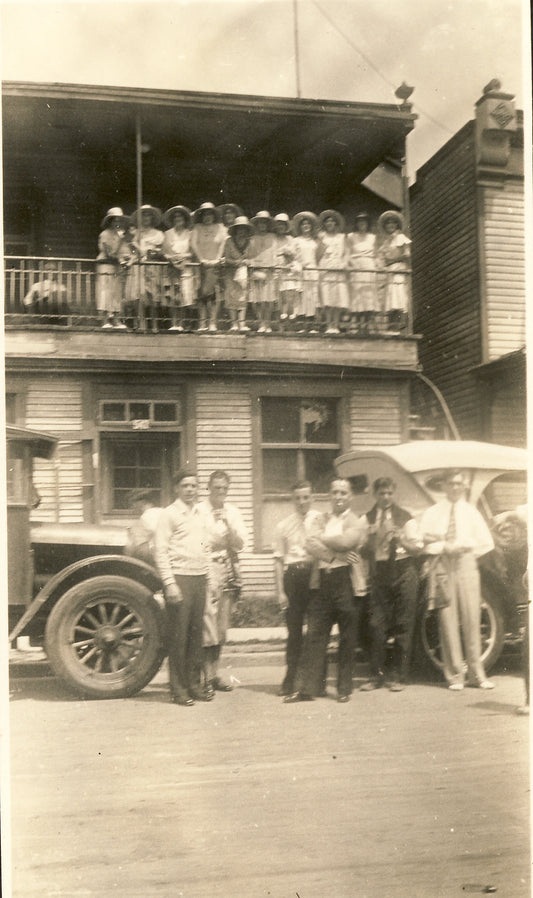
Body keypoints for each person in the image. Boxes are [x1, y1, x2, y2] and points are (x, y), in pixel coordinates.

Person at [285, 477, 366, 703]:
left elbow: (347, 541)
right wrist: (334, 556)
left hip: (347, 583)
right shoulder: (321, 518)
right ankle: (309, 688)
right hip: (322, 581)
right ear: (329, 496)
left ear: (350, 496)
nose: (338, 496)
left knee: (347, 637)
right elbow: (310, 543)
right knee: (315, 635)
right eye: (334, 492)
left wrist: (324, 540)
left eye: (343, 492)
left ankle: (344, 689)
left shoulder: (356, 521)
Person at [420, 469, 495, 691]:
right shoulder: (433, 512)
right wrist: (444, 546)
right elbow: (423, 540)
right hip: (442, 563)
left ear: (464, 487)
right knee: (447, 617)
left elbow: (486, 543)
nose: (455, 488)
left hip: (466, 562)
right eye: (451, 483)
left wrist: (464, 547)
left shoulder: (471, 512)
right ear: (443, 486)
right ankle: (455, 676)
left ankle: (477, 674)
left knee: (472, 616)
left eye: (458, 484)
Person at [359, 477, 423, 692]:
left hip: (404, 571)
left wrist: (400, 537)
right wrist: (374, 536)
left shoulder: (406, 518)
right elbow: (361, 551)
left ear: (393, 493)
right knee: (376, 625)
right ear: (375, 495)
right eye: (381, 493)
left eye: (389, 493)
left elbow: (417, 549)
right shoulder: (366, 519)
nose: (385, 497)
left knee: (403, 625)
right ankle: (376, 675)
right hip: (380, 574)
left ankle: (399, 676)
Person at [154, 470, 211, 706]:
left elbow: (205, 546)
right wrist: (169, 583)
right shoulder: (169, 514)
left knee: (196, 636)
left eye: (194, 486)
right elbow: (160, 550)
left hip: (199, 578)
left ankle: (194, 685)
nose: (190, 490)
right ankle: (178, 690)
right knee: (178, 637)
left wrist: (209, 579)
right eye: (185, 486)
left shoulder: (200, 513)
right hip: (180, 579)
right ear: (176, 489)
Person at [198, 470, 247, 694]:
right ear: (209, 488)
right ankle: (204, 677)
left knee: (221, 627)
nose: (220, 492)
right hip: (206, 569)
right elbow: (198, 541)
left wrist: (227, 526)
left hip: (226, 569)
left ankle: (214, 674)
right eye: (216, 487)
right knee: (207, 624)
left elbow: (239, 544)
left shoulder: (233, 512)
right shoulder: (199, 510)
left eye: (224, 488)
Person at [273, 481, 323, 697]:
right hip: (293, 578)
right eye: (298, 498)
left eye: (306, 497)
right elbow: (278, 561)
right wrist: (280, 592)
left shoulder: (321, 520)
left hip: (314, 576)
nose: (302, 502)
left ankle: (314, 682)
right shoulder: (283, 526)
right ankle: (290, 680)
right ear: (292, 500)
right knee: (294, 633)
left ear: (312, 498)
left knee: (315, 632)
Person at [161, 205, 198, 332]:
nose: (178, 219)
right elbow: (164, 251)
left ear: (185, 218)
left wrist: (183, 256)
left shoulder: (190, 234)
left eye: (180, 216)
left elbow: (192, 252)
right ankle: (173, 323)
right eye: (176, 216)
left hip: (185, 267)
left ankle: (181, 323)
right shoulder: (167, 233)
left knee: (183, 294)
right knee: (172, 294)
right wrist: (170, 258)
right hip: (171, 266)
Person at [190, 202, 226, 332]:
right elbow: (194, 244)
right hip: (200, 265)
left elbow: (222, 244)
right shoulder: (197, 228)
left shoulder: (221, 227)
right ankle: (202, 322)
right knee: (201, 294)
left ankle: (212, 322)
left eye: (210, 214)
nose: (208, 217)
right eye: (205, 214)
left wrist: (217, 259)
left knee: (214, 295)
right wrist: (201, 259)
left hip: (215, 265)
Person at [130, 205, 165, 333]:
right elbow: (133, 249)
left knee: (154, 296)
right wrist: (137, 250)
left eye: (148, 215)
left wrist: (153, 252)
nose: (146, 218)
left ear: (152, 218)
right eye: (143, 215)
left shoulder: (159, 234)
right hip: (140, 266)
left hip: (153, 265)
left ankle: (154, 324)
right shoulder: (137, 233)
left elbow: (161, 250)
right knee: (140, 295)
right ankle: (141, 323)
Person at [95, 207, 132, 328]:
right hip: (106, 266)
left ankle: (116, 320)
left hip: (116, 267)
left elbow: (125, 252)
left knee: (116, 293)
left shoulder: (120, 236)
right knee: (105, 292)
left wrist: (127, 259)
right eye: (115, 220)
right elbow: (109, 252)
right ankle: (106, 320)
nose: (117, 223)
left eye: (119, 220)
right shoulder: (105, 234)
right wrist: (120, 257)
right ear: (110, 221)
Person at [375, 210, 411, 333]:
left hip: (398, 269)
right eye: (388, 223)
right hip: (389, 272)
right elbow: (381, 258)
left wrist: (392, 260)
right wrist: (383, 264)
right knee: (390, 298)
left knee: (398, 296)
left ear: (397, 225)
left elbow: (406, 255)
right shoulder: (386, 242)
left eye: (393, 223)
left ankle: (397, 326)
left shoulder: (401, 238)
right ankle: (391, 326)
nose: (390, 226)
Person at [317, 209, 349, 334]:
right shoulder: (321, 237)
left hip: (338, 270)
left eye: (332, 221)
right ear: (324, 224)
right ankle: (329, 325)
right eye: (327, 221)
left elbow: (346, 253)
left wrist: (343, 264)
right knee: (327, 299)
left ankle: (335, 325)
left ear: (336, 223)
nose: (330, 223)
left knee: (337, 299)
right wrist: (322, 246)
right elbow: (317, 255)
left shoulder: (342, 237)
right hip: (325, 270)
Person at [221, 215, 254, 332]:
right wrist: (236, 262)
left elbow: (252, 258)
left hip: (243, 275)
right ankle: (234, 323)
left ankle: (242, 323)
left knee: (243, 297)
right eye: (239, 228)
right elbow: (225, 258)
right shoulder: (229, 241)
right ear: (235, 230)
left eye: (244, 228)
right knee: (231, 297)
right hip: (230, 273)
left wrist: (247, 262)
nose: (242, 231)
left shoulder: (250, 242)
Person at [346, 212, 378, 333]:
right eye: (359, 222)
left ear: (367, 224)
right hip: (356, 266)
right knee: (357, 295)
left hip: (369, 266)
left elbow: (375, 255)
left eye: (364, 222)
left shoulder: (372, 237)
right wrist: (353, 265)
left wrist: (377, 266)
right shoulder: (351, 236)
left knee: (368, 295)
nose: (362, 224)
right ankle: (358, 325)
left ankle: (367, 326)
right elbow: (347, 254)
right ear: (356, 224)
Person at [292, 211, 321, 332]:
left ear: (311, 226)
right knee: (301, 298)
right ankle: (302, 326)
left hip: (313, 271)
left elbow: (320, 256)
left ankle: (313, 326)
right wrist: (298, 264)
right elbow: (292, 257)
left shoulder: (316, 241)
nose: (306, 226)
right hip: (301, 271)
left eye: (308, 224)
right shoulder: (296, 240)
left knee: (312, 298)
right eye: (303, 224)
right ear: (300, 226)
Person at [272, 213, 301, 327]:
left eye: (283, 225)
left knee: (288, 297)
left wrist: (287, 259)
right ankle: (274, 325)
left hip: (286, 271)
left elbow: (294, 256)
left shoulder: (290, 239)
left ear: (286, 226)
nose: (280, 227)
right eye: (278, 224)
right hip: (274, 270)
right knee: (275, 298)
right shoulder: (272, 238)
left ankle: (288, 325)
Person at [249, 211, 276, 333]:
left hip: (269, 270)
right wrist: (254, 266)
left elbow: (275, 254)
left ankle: (268, 323)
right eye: (260, 222)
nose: (262, 225)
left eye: (265, 222)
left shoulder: (272, 237)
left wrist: (270, 266)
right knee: (258, 300)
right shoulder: (252, 238)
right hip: (256, 270)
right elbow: (249, 254)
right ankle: (261, 323)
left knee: (268, 299)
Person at [124, 488, 163, 566]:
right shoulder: (161, 511)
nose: (132, 508)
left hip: (158, 557)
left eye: (133, 504)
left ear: (142, 502)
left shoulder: (146, 517)